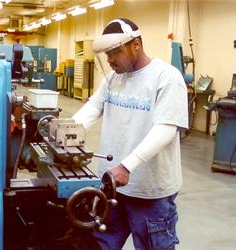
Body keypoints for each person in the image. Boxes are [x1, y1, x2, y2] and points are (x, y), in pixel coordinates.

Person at [72, 18, 188, 250]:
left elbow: (165, 128)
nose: (110, 60)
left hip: (149, 192)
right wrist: (66, 130)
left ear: (136, 44)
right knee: (101, 243)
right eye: (107, 54)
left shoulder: (166, 77)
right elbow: (95, 106)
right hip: (111, 186)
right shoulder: (114, 78)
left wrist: (127, 166)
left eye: (115, 52)